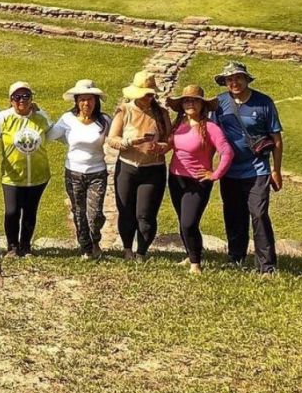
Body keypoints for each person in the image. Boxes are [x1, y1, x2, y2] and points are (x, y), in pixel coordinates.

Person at [212, 62, 283, 274]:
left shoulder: (263, 103)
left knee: (259, 215)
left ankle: (266, 265)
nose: (234, 82)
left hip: (257, 169)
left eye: (237, 78)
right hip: (230, 170)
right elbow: (211, 134)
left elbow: (277, 140)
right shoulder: (219, 103)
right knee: (233, 214)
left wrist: (276, 170)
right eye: (229, 79)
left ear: (246, 79)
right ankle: (236, 257)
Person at [166, 85, 234, 274]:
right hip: (175, 178)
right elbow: (171, 146)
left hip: (197, 182)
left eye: (194, 100)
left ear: (202, 105)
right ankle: (190, 254)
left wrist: (215, 174)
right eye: (186, 100)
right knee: (182, 221)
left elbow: (227, 152)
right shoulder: (178, 124)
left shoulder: (210, 128)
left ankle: (196, 263)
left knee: (189, 222)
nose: (190, 103)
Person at [0, 82, 52, 258]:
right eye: (17, 97)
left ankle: (26, 246)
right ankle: (12, 247)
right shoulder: (4, 117)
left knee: (30, 211)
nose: (22, 100)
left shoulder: (39, 117)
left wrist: (40, 110)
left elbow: (54, 131)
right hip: (12, 175)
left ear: (31, 98)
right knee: (12, 211)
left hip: (37, 175)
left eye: (26, 96)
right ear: (10, 100)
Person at [107, 71, 171, 260]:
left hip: (153, 168)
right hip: (127, 166)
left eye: (151, 94)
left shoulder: (161, 113)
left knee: (146, 215)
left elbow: (169, 139)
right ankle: (127, 250)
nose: (148, 98)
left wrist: (163, 147)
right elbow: (112, 139)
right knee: (126, 211)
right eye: (145, 94)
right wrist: (130, 142)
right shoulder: (124, 111)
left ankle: (142, 251)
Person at [47, 79, 112, 260]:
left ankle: (95, 240)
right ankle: (86, 247)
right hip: (74, 172)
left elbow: (116, 137)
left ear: (96, 101)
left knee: (95, 213)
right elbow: (51, 134)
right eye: (82, 99)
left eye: (90, 99)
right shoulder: (67, 119)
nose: (86, 103)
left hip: (97, 172)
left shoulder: (104, 120)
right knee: (78, 211)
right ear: (76, 101)